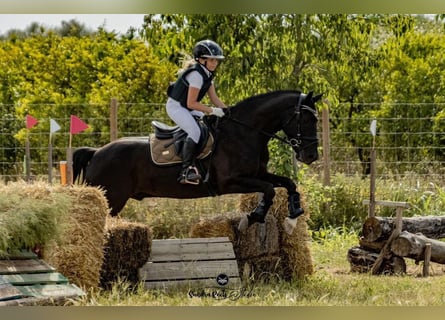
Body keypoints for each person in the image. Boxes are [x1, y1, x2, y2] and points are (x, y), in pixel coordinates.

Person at [167, 39, 226, 185]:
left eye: (216, 61)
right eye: (211, 60)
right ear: (201, 59)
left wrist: (228, 111)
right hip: (176, 107)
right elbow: (191, 103)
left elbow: (214, 99)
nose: (214, 63)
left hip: (188, 108)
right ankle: (186, 170)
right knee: (195, 131)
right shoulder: (196, 75)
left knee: (207, 125)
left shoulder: (208, 75)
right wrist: (213, 111)